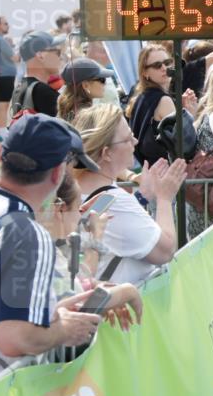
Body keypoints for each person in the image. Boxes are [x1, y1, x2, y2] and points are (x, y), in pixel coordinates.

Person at [0, 114, 103, 388]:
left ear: (0, 153)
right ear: (57, 174)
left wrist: (52, 314)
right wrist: (63, 330)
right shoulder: (27, 234)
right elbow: (15, 336)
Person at [73, 104, 187, 285]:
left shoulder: (80, 190)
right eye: (127, 139)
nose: (135, 141)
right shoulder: (116, 200)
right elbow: (165, 251)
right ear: (106, 153)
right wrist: (164, 198)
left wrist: (143, 196)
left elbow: (111, 220)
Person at [38, 176, 143, 332]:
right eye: (78, 208)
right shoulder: (42, 252)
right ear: (60, 210)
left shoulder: (41, 242)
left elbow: (76, 283)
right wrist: (126, 292)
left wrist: (99, 290)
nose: (81, 215)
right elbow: (71, 306)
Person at [126, 44, 196, 166]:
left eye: (167, 62)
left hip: (152, 169)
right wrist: (190, 115)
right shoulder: (163, 100)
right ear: (145, 73)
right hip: (166, 172)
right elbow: (185, 145)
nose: (164, 68)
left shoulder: (140, 95)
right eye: (157, 65)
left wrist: (182, 111)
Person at [10, 31, 64, 118]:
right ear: (40, 56)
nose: (61, 57)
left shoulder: (20, 88)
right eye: (57, 52)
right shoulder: (43, 93)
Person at [0, 16, 19, 141]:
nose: (8, 26)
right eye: (5, 24)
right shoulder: (0, 41)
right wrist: (24, 48)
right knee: (3, 105)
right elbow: (15, 58)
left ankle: (0, 133)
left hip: (1, 75)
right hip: (4, 75)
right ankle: (2, 133)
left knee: (0, 105)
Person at [57, 57, 114, 124]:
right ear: (85, 85)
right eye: (102, 80)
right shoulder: (88, 116)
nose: (105, 84)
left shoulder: (69, 111)